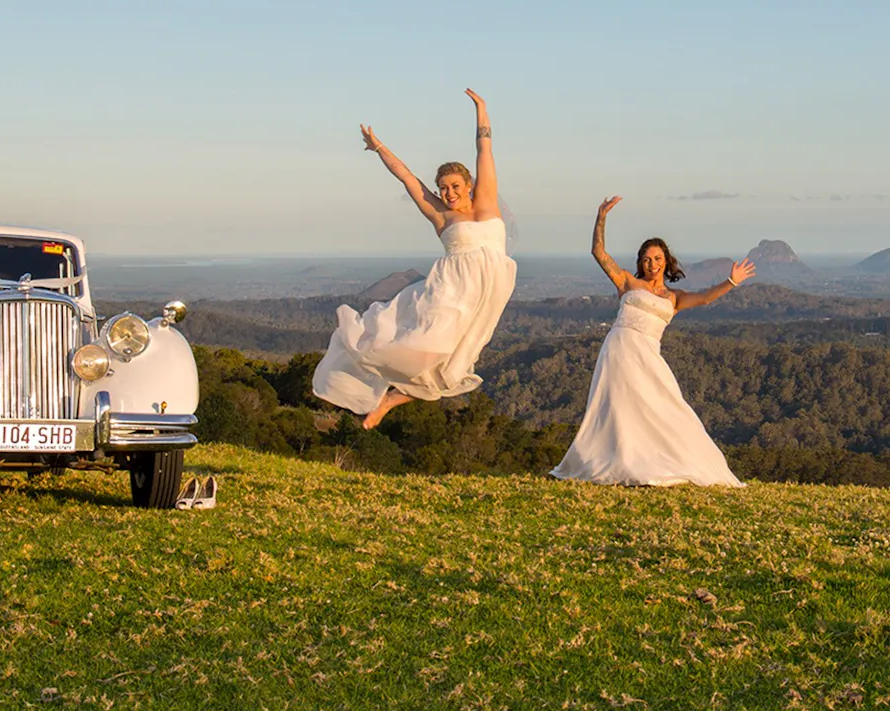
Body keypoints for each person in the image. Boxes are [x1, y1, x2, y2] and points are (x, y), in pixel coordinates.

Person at [312, 89, 516, 429]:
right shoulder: (441, 217)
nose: (448, 193)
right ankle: (377, 393)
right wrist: (378, 148)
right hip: (450, 293)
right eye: (442, 188)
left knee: (454, 367)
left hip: (489, 292)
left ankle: (390, 400)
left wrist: (481, 108)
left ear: (469, 185)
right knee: (423, 349)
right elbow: (406, 176)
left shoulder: (487, 203)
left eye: (454, 186)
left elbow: (484, 148)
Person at [550, 196, 754, 486]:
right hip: (618, 350)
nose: (652, 264)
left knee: (666, 404)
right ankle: (617, 462)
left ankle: (669, 460)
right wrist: (601, 216)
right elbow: (598, 252)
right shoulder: (628, 283)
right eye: (646, 259)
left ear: (666, 262)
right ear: (640, 263)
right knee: (619, 407)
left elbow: (707, 297)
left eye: (657, 259)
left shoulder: (675, 298)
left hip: (647, 353)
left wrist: (731, 281)